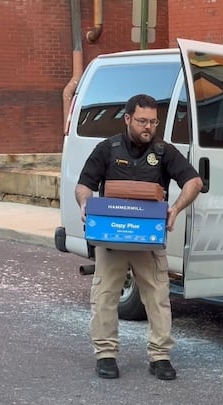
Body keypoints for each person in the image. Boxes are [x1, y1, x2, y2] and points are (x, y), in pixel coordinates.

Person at [75, 94, 203, 381]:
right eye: (143, 121)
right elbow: (84, 185)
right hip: (112, 240)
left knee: (158, 298)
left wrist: (175, 209)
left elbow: (194, 182)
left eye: (153, 121)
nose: (149, 127)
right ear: (128, 119)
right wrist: (86, 205)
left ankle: (160, 357)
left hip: (148, 242)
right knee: (105, 296)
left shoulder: (164, 151)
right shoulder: (107, 149)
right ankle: (106, 355)